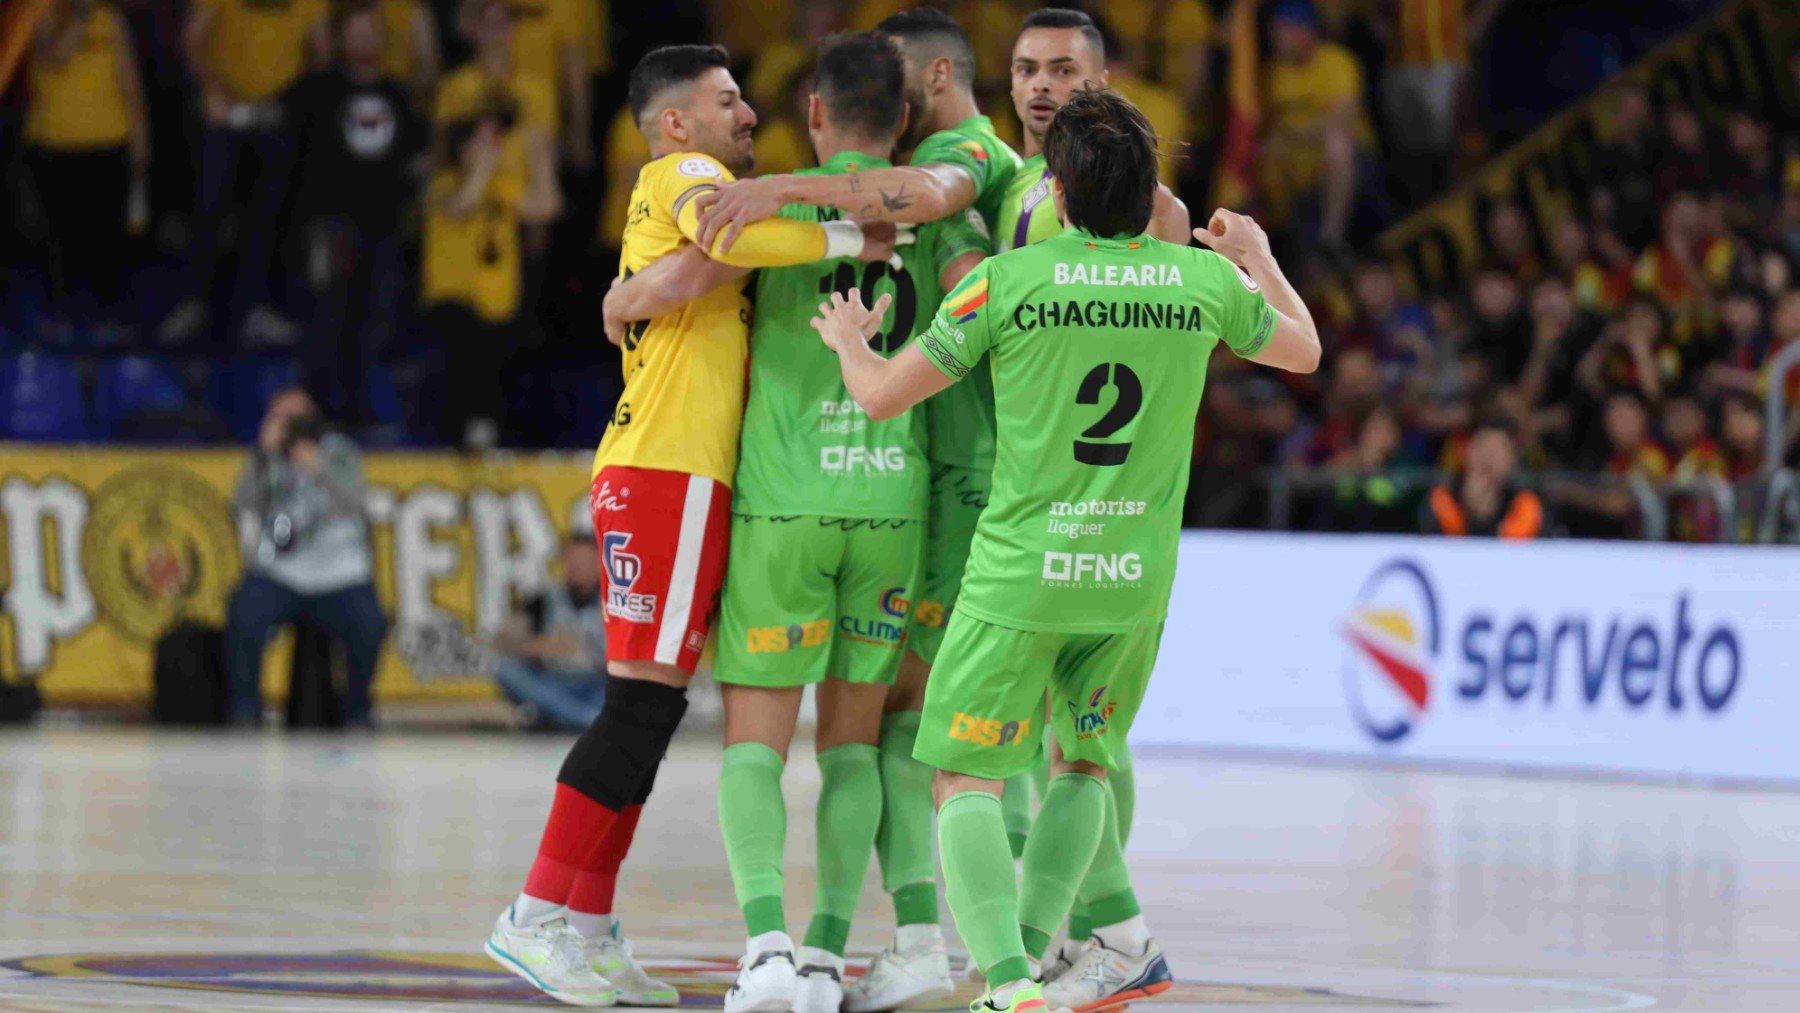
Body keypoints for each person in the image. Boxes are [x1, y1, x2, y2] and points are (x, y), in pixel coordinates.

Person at [810, 88, 1320, 1013]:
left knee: (964, 775)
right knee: (1083, 763)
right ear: (1150, 190)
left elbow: (883, 394)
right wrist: (1261, 260)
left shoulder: (1006, 282)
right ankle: (1039, 957)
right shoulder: (1199, 283)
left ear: (1058, 189)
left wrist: (850, 340)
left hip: (1021, 575)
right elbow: (1306, 352)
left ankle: (1009, 981)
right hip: (1131, 579)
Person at [482, 43, 898, 1009]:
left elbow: (682, 278)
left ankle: (585, 926)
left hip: (679, 470)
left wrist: (637, 291)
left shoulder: (680, 186)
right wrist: (849, 241)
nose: (748, 113)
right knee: (636, 708)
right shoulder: (690, 173)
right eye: (727, 100)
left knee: (653, 709)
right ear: (678, 122)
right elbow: (726, 246)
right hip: (668, 469)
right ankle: (535, 913)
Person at [606, 33, 989, 1013]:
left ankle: (769, 950)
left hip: (784, 504)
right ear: (903, 120)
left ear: (813, 114)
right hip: (892, 507)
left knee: (756, 746)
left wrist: (625, 293)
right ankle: (826, 956)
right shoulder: (942, 214)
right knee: (855, 746)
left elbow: (693, 277)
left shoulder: (761, 203)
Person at [890, 11, 1191, 1012]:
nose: (1040, 85)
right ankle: (1088, 938)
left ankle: (1068, 938)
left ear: (1104, 79)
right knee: (1057, 746)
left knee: (1060, 745)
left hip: (1039, 511)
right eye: (1024, 68)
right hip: (1002, 488)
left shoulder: (1149, 213)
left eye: (1063, 68)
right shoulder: (1003, 179)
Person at [425, 0, 561, 447]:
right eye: (488, 19)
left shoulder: (536, 89)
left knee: (514, 344)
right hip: (463, 249)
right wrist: (480, 173)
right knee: (466, 343)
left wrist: (514, 198)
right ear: (470, 28)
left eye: (507, 20)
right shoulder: (455, 88)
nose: (499, 29)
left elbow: (545, 176)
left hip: (515, 232)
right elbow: (444, 160)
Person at [289, 1, 424, 429]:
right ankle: (317, 414)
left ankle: (358, 414)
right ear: (339, 37)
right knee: (327, 320)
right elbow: (294, 163)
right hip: (332, 227)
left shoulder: (399, 96)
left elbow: (414, 161)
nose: (364, 39)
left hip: (383, 228)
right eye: (355, 31)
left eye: (371, 30)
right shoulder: (316, 91)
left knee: (373, 323)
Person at [164, 0, 330, 346]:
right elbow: (193, 40)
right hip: (224, 111)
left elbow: (322, 51)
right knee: (208, 209)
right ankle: (194, 303)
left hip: (277, 114)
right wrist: (211, 89)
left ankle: (254, 309)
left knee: (267, 218)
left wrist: (297, 98)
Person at [225, 389, 387, 727]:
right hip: (281, 571)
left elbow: (357, 504)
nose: (291, 426)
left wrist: (319, 467)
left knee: (369, 624)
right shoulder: (265, 457)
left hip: (340, 572)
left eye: (297, 418)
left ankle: (358, 708)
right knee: (244, 615)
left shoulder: (339, 452)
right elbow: (242, 504)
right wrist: (262, 456)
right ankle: (245, 709)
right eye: (281, 417)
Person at [22, 0, 150, 333]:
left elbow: (129, 79)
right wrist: (80, 17)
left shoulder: (111, 20)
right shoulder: (36, 15)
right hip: (56, 144)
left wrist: (141, 139)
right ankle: (59, 318)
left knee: (106, 237)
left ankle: (107, 317)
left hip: (109, 141)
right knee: (61, 239)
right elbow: (55, 57)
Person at [491, 534, 609, 731]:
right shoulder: (542, 601)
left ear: (599, 565)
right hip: (555, 684)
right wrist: (537, 646)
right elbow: (501, 642)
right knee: (506, 670)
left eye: (583, 561)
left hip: (598, 684)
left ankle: (561, 717)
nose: (575, 567)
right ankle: (586, 720)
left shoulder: (616, 602)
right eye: (571, 560)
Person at [1421, 417, 1545, 538]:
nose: (1488, 457)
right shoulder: (1442, 499)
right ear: (1467, 452)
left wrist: (1485, 516)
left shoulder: (1527, 504)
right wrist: (1471, 511)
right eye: (1482, 446)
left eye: (1497, 450)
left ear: (1512, 459)